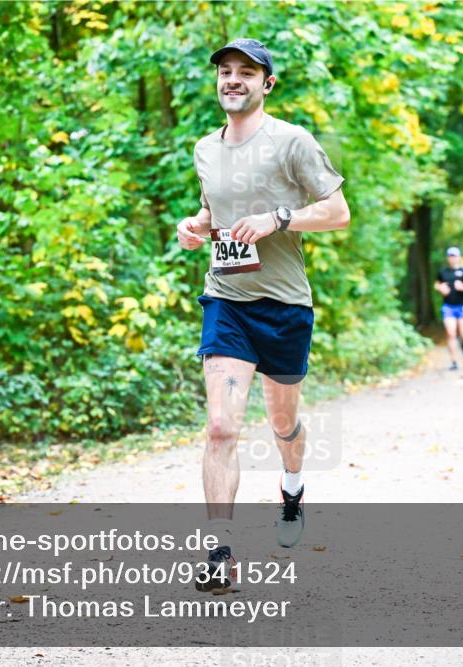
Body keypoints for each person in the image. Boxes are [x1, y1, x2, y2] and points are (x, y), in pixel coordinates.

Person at [176, 38, 350, 591]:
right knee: (222, 426)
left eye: (246, 72)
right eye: (226, 71)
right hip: (227, 299)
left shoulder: (292, 142)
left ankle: (292, 487)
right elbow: (213, 209)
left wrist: (280, 218)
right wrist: (195, 225)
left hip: (284, 305)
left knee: (282, 422)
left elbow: (337, 212)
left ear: (266, 84)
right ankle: (218, 553)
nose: (233, 80)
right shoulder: (205, 148)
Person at [434, 247, 463, 371]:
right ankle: (454, 361)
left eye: (455, 256)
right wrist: (440, 288)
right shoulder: (443, 272)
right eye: (450, 256)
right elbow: (436, 283)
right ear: (448, 258)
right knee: (451, 333)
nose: (453, 258)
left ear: (459, 257)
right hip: (448, 306)